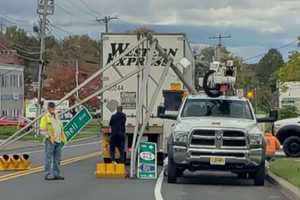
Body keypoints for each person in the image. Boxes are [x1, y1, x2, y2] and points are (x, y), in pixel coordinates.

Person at [39, 102, 66, 180]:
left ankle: (56, 174)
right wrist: (48, 136)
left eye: (53, 107)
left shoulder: (57, 116)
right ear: (48, 108)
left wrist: (62, 139)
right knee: (48, 158)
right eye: (51, 108)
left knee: (57, 159)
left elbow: (60, 127)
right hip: (50, 141)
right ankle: (47, 174)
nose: (52, 109)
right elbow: (42, 130)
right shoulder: (45, 117)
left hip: (58, 140)